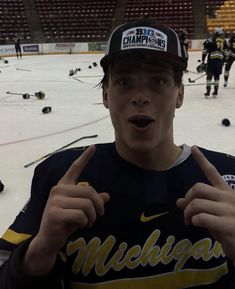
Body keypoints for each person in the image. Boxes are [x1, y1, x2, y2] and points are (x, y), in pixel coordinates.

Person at [0, 19, 235, 289]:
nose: (140, 96)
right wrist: (37, 255)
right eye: (124, 81)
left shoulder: (227, 182)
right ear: (106, 95)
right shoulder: (60, 177)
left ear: (179, 94)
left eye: (158, 81)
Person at [202, 27, 227, 98]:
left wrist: (203, 60)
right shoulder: (224, 41)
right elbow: (225, 52)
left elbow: (204, 51)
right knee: (217, 76)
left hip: (211, 61)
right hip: (220, 61)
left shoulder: (209, 40)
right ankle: (215, 92)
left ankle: (208, 91)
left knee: (209, 76)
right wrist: (224, 61)